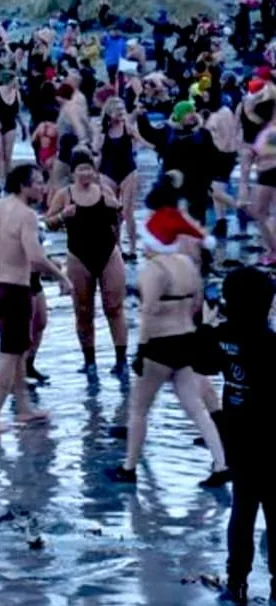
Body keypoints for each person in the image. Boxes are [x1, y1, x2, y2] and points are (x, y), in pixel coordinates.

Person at [110, 204, 229, 486]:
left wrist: (140, 348)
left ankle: (128, 468)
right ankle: (222, 463)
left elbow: (148, 311)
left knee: (139, 409)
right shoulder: (187, 264)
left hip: (160, 345)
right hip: (186, 340)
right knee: (196, 408)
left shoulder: (154, 269)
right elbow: (198, 302)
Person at [0, 164, 69, 434]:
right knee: (9, 356)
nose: (42, 187)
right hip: (14, 291)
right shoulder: (26, 215)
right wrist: (62, 277)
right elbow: (35, 258)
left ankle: (24, 408)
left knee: (17, 351)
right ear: (23, 186)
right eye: (37, 182)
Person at [214, 267, 272, 603]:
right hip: (273, 442)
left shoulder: (224, 337)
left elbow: (204, 362)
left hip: (238, 439)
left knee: (242, 511)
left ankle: (236, 582)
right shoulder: (270, 344)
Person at [45, 152, 129, 375]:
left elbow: (119, 218)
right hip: (78, 256)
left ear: (94, 171)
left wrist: (116, 208)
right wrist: (63, 216)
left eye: (88, 168)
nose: (85, 173)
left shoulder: (104, 190)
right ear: (73, 173)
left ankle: (122, 360)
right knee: (83, 311)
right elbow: (48, 223)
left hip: (108, 252)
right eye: (80, 169)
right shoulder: (64, 195)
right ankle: (89, 361)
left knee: (114, 307)